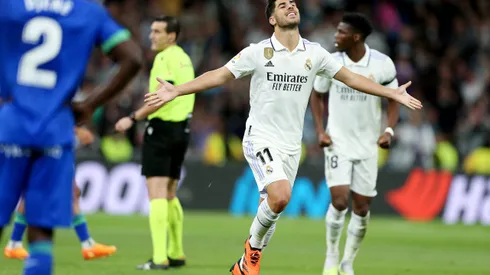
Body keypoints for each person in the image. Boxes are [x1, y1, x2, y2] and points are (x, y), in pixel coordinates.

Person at [144, 1, 422, 275]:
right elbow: (220, 76)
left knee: (272, 206)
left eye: (293, 3)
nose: (291, 6)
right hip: (261, 137)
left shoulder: (314, 54)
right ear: (272, 19)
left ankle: (246, 263)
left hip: (291, 145)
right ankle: (251, 252)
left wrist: (391, 93)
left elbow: (351, 79)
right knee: (280, 196)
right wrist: (177, 90)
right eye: (282, 5)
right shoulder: (258, 51)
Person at [0, 0, 142, 274]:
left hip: (10, 125)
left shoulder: (10, 5)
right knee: (41, 233)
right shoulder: (88, 10)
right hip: (56, 129)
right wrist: (90, 104)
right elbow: (133, 58)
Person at [310, 13, 401, 275]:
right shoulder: (332, 63)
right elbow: (317, 95)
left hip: (367, 145)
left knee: (362, 207)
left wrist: (388, 130)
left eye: (341, 32)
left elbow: (394, 98)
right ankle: (331, 257)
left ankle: (347, 262)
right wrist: (320, 130)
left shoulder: (382, 64)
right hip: (337, 141)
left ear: (356, 37)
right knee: (339, 201)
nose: (335, 37)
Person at [115, 16, 194, 270]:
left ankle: (160, 258)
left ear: (171, 36)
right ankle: (177, 253)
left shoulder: (164, 58)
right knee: (170, 192)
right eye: (152, 30)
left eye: (158, 31)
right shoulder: (184, 57)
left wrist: (131, 117)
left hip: (161, 130)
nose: (152, 35)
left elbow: (160, 98)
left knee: (157, 194)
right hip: (182, 130)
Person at [4, 127, 117, 261]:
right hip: (47, 147)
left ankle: (14, 243)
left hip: (55, 148)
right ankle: (88, 244)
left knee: (69, 193)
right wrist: (77, 129)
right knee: (40, 194)